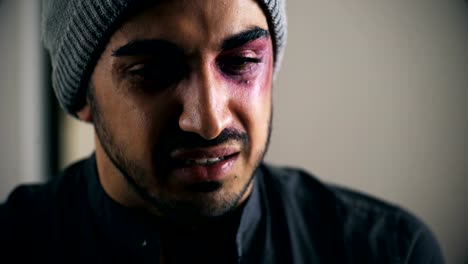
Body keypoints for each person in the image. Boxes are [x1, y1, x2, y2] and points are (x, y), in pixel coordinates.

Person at [0, 0, 444, 263]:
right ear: (82, 97)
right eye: (153, 72)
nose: (209, 119)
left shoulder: (388, 252)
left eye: (242, 63)